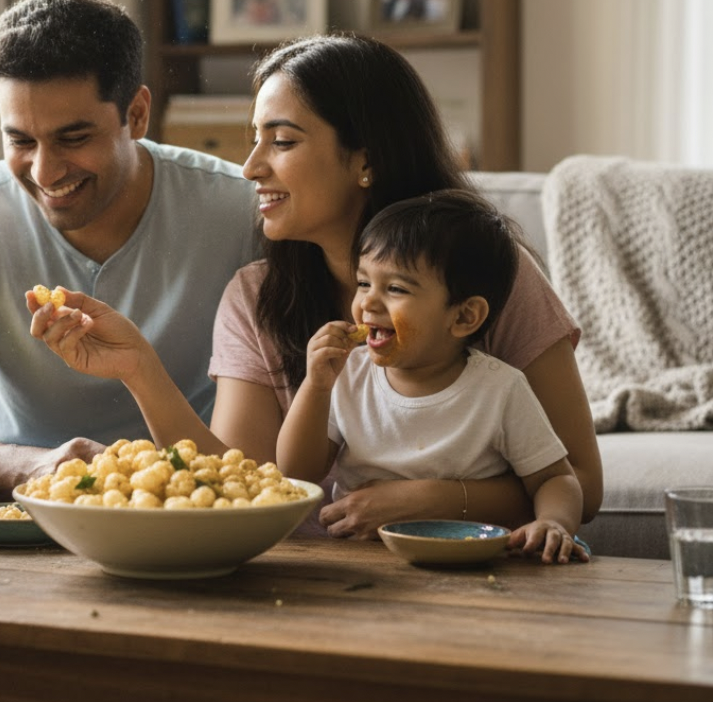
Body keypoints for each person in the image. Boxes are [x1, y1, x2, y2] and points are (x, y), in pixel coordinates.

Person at [30, 33, 603, 539]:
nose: (250, 166)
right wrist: (138, 368)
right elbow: (245, 483)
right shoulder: (256, 295)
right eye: (254, 140)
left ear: (365, 159)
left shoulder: (493, 275)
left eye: (280, 141)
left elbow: (581, 480)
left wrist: (435, 498)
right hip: (313, 583)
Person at [0, 0, 259, 500]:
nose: (45, 171)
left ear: (136, 113)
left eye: (73, 138)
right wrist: (36, 467)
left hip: (193, 505)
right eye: (20, 140)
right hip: (26, 514)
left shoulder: (242, 213)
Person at [275, 190, 587, 563]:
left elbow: (555, 478)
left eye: (395, 289)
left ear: (463, 317)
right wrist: (315, 386)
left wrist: (553, 521)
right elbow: (295, 472)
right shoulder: (349, 376)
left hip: (472, 562)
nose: (368, 303)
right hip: (362, 560)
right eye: (363, 283)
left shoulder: (499, 389)